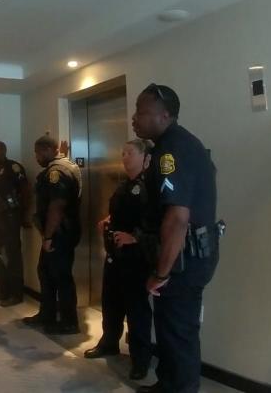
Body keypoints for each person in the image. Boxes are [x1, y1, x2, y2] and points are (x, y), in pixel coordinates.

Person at [132, 83, 220, 393]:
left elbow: (177, 218)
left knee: (179, 333)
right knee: (169, 330)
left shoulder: (172, 150)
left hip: (183, 261)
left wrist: (161, 273)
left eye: (142, 112)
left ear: (165, 115)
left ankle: (180, 387)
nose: (135, 118)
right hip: (185, 256)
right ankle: (166, 384)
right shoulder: (172, 145)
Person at [83, 139, 154, 381]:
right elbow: (121, 210)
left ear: (144, 157)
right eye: (123, 152)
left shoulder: (150, 186)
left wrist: (135, 237)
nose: (124, 157)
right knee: (110, 302)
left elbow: (155, 221)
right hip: (115, 254)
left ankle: (140, 359)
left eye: (130, 153)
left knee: (137, 310)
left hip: (136, 258)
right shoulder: (124, 184)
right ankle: (109, 342)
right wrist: (108, 219)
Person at [22, 135, 83, 335]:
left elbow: (57, 206)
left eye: (38, 153)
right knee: (46, 272)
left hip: (59, 233)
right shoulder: (64, 165)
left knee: (60, 276)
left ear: (48, 150)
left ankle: (69, 322)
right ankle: (46, 314)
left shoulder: (56, 172)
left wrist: (48, 237)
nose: (36, 157)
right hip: (58, 232)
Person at [0, 141, 30, 307]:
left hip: (12, 216)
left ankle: (16, 294)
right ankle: (4, 287)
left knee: (13, 255)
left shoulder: (14, 167)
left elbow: (25, 191)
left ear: (4, 151)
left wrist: (24, 215)